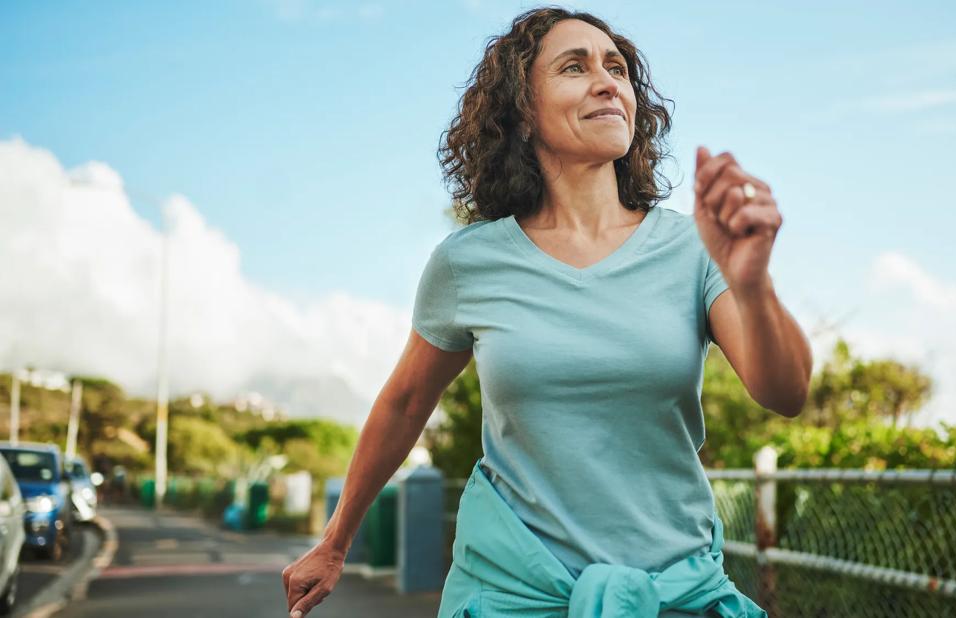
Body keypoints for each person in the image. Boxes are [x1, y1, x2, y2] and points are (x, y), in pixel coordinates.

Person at [282, 6, 812, 618]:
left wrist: (754, 285)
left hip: (672, 595)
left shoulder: (694, 246)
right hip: (511, 595)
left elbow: (786, 392)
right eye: (574, 67)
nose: (607, 81)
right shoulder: (468, 263)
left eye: (616, 68)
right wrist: (335, 541)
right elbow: (404, 403)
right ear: (524, 110)